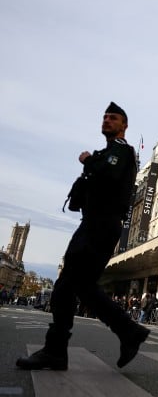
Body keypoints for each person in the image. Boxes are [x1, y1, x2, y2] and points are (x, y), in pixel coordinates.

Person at [16, 102, 149, 371]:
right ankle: (125, 332)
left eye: (113, 118)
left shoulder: (121, 151)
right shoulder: (108, 152)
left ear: (124, 125)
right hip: (93, 223)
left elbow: (109, 176)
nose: (106, 120)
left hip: (100, 225)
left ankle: (63, 348)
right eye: (104, 117)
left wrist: (88, 161)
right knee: (77, 287)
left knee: (71, 285)